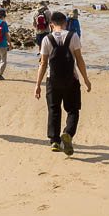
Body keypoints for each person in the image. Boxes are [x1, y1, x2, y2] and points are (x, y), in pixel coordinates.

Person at [34, 11, 92, 155]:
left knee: (54, 109)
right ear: (65, 23)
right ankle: (68, 133)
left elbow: (43, 64)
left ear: (51, 25)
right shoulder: (73, 36)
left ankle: (54, 141)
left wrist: (37, 85)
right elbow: (79, 60)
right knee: (72, 110)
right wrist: (86, 79)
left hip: (52, 80)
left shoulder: (46, 39)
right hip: (71, 80)